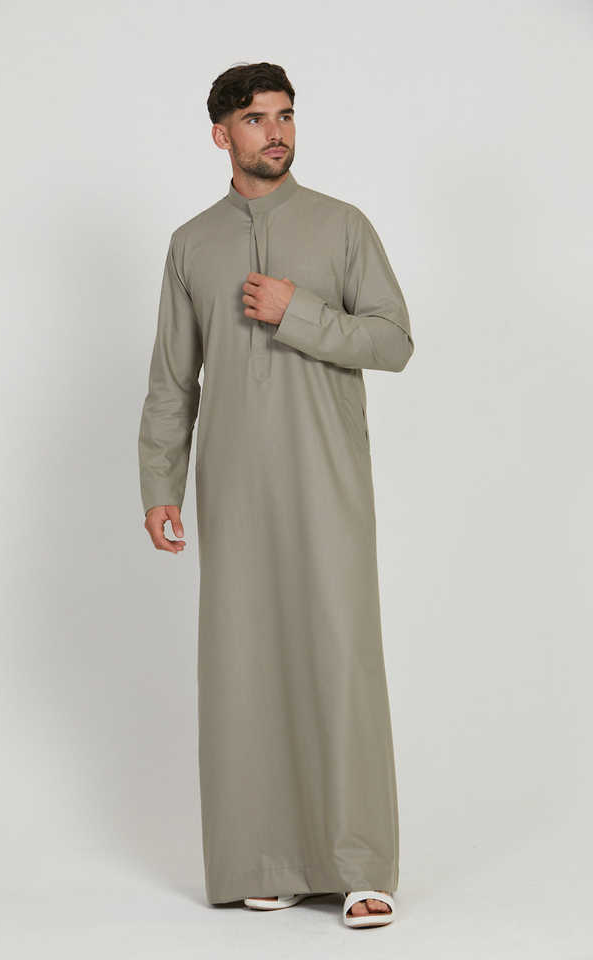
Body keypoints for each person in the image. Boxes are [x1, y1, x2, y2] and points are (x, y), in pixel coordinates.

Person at [138, 62, 414, 929]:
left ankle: (361, 866)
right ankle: (269, 858)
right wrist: (160, 482)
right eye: (257, 119)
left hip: (328, 479)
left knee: (341, 658)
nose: (277, 132)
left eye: (286, 115)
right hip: (235, 485)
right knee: (245, 664)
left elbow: (394, 341)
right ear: (221, 134)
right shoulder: (192, 244)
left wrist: (300, 312)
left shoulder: (342, 226)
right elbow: (172, 380)